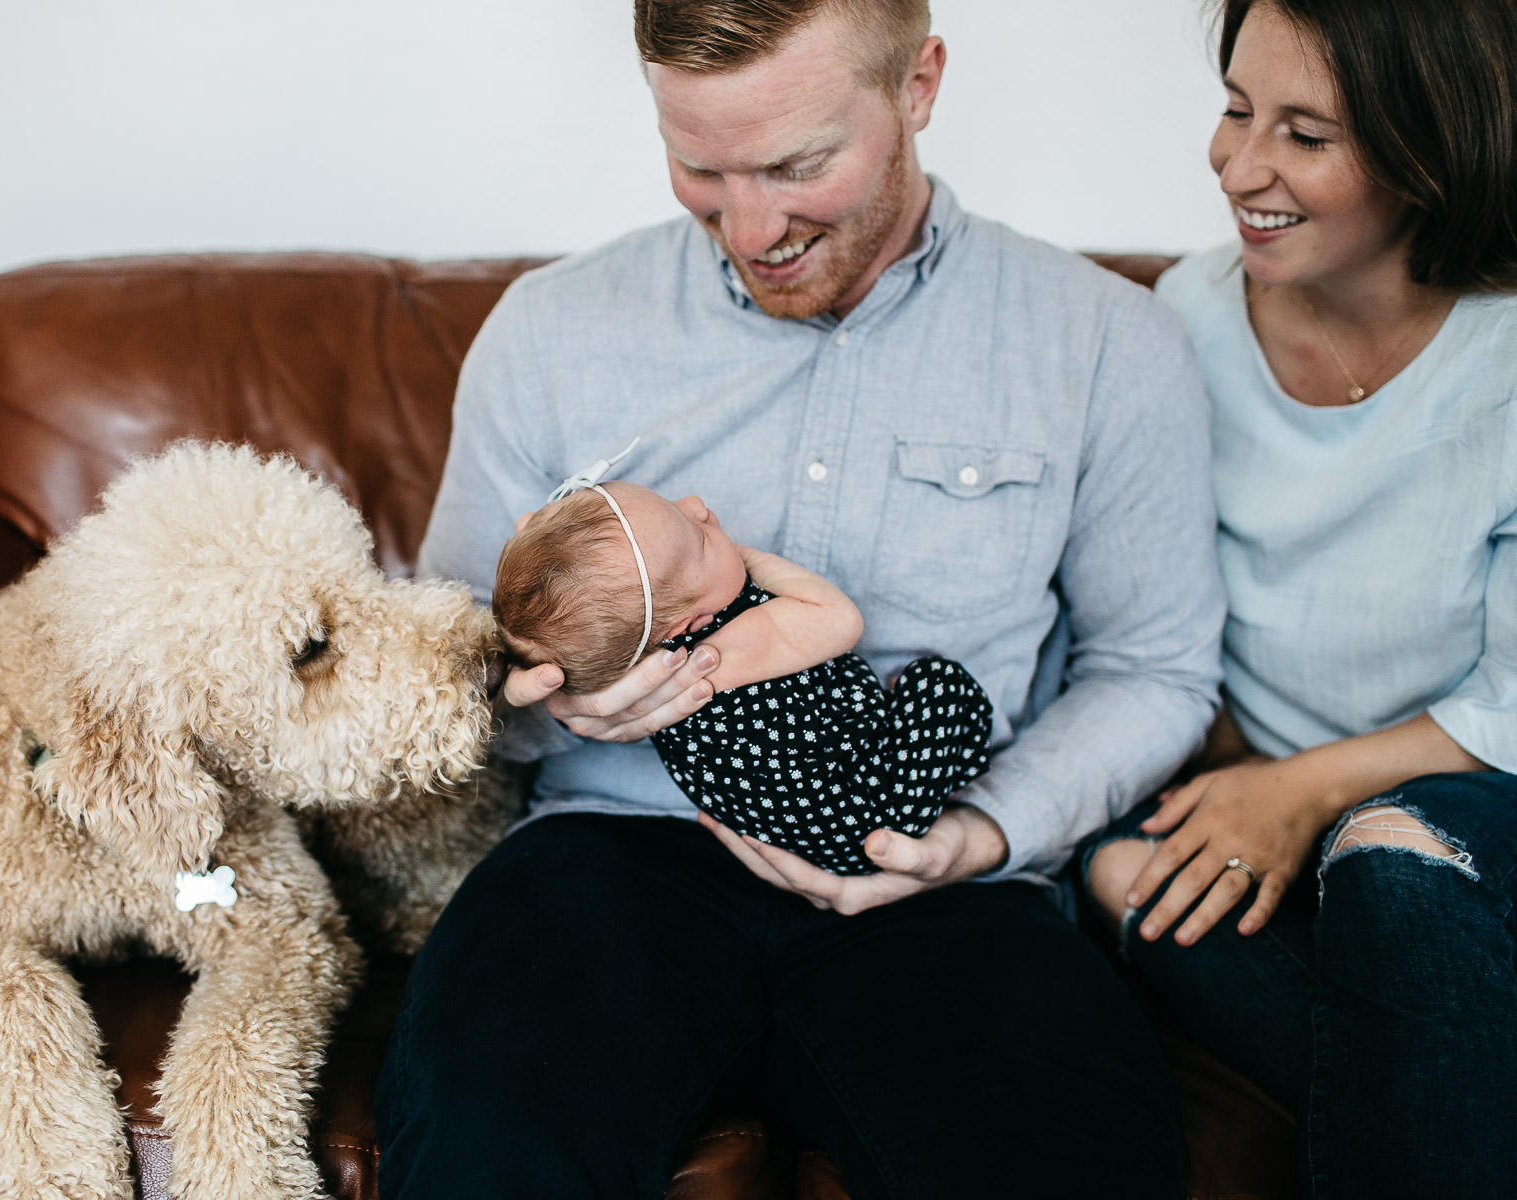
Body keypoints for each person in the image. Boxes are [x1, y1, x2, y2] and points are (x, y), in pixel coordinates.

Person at [377, 1, 1226, 1195]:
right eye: (699, 168)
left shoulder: (1106, 343)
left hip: (941, 884)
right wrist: (544, 696)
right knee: (486, 1154)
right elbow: (444, 682)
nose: (750, 228)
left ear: (919, 85)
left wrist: (980, 836)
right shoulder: (550, 331)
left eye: (795, 166)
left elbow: (1155, 670)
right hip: (611, 857)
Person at [1081, 1, 1517, 1195]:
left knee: (1393, 864)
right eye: (1236, 110)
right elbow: (1144, 608)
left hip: (1466, 804)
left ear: (1433, 150)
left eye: (1305, 135)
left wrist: (1308, 791)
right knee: (1113, 870)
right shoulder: (1183, 319)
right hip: (1258, 788)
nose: (1238, 166)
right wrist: (1239, 772)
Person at [492, 472, 992, 873]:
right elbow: (842, 620)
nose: (696, 505)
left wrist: (710, 561)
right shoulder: (737, 640)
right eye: (700, 538)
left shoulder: (644, 659)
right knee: (937, 682)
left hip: (800, 833)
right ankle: (952, 762)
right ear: (690, 625)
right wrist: (746, 558)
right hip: (870, 813)